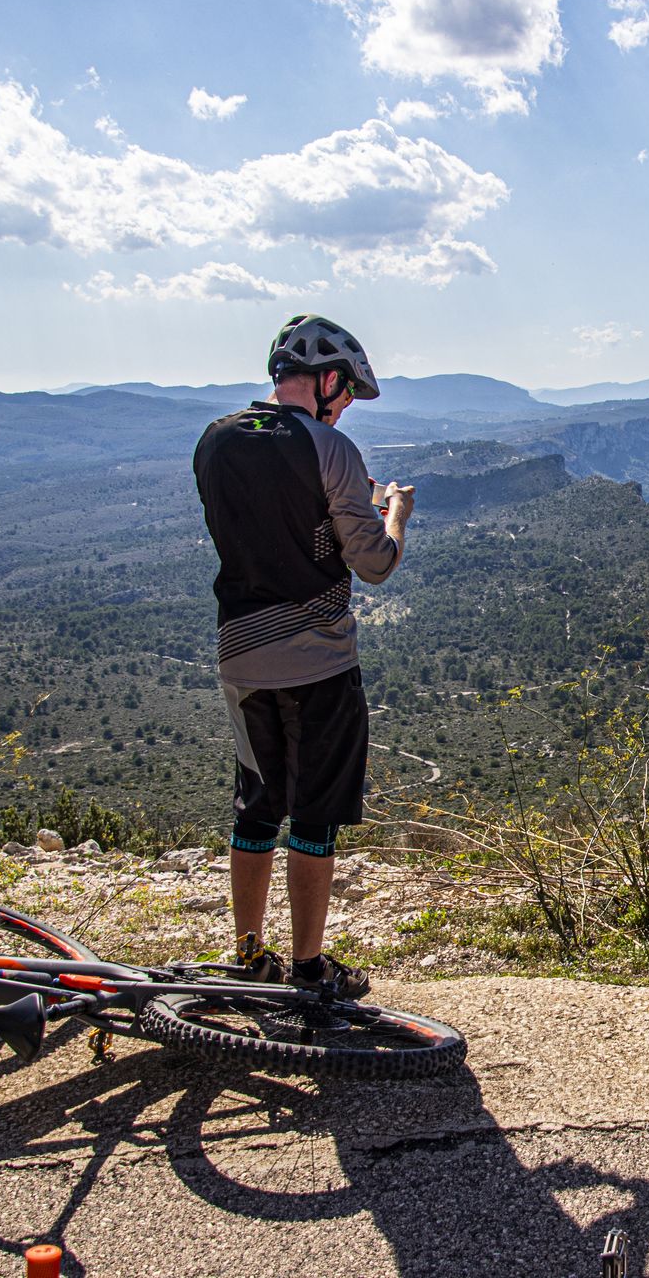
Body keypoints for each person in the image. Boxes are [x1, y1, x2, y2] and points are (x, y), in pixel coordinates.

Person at [192, 313, 414, 998]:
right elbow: (374, 563)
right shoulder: (331, 450)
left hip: (239, 656)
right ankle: (311, 970)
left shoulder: (215, 441)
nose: (346, 406)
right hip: (317, 662)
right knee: (313, 817)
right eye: (346, 392)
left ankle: (249, 957)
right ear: (322, 381)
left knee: (256, 808)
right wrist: (395, 512)